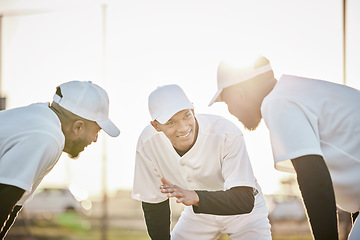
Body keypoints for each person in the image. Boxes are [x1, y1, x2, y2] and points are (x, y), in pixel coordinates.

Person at [209, 53, 360, 240]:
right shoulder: (297, 92)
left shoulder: (277, 102)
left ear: (239, 93)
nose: (231, 112)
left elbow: (313, 179)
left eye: (227, 102)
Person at [132, 84, 271, 240]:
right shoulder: (147, 143)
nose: (183, 128)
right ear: (156, 125)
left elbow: (243, 199)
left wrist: (196, 197)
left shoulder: (226, 133)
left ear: (193, 110)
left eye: (186, 115)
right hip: (199, 215)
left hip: (244, 215)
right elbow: (154, 203)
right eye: (171, 122)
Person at [0, 80, 120, 238]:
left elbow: (12, 206)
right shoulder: (48, 137)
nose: (96, 139)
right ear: (78, 127)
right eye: (96, 131)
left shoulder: (40, 117)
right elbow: (3, 201)